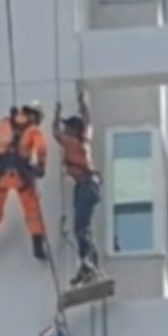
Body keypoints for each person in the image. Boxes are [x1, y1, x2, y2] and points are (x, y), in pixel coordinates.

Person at [0, 100, 49, 261]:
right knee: (32, 208)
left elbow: (0, 141)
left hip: (0, 173)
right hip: (21, 174)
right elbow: (42, 148)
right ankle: (38, 246)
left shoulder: (4, 122)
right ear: (34, 115)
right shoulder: (33, 130)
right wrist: (41, 166)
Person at [53, 91, 101, 286]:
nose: (66, 130)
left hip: (86, 186)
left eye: (68, 127)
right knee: (83, 227)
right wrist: (83, 104)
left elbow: (56, 132)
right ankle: (87, 265)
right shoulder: (84, 140)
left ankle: (89, 264)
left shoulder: (72, 143)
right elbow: (88, 122)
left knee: (81, 229)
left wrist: (56, 115)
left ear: (73, 130)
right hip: (91, 186)